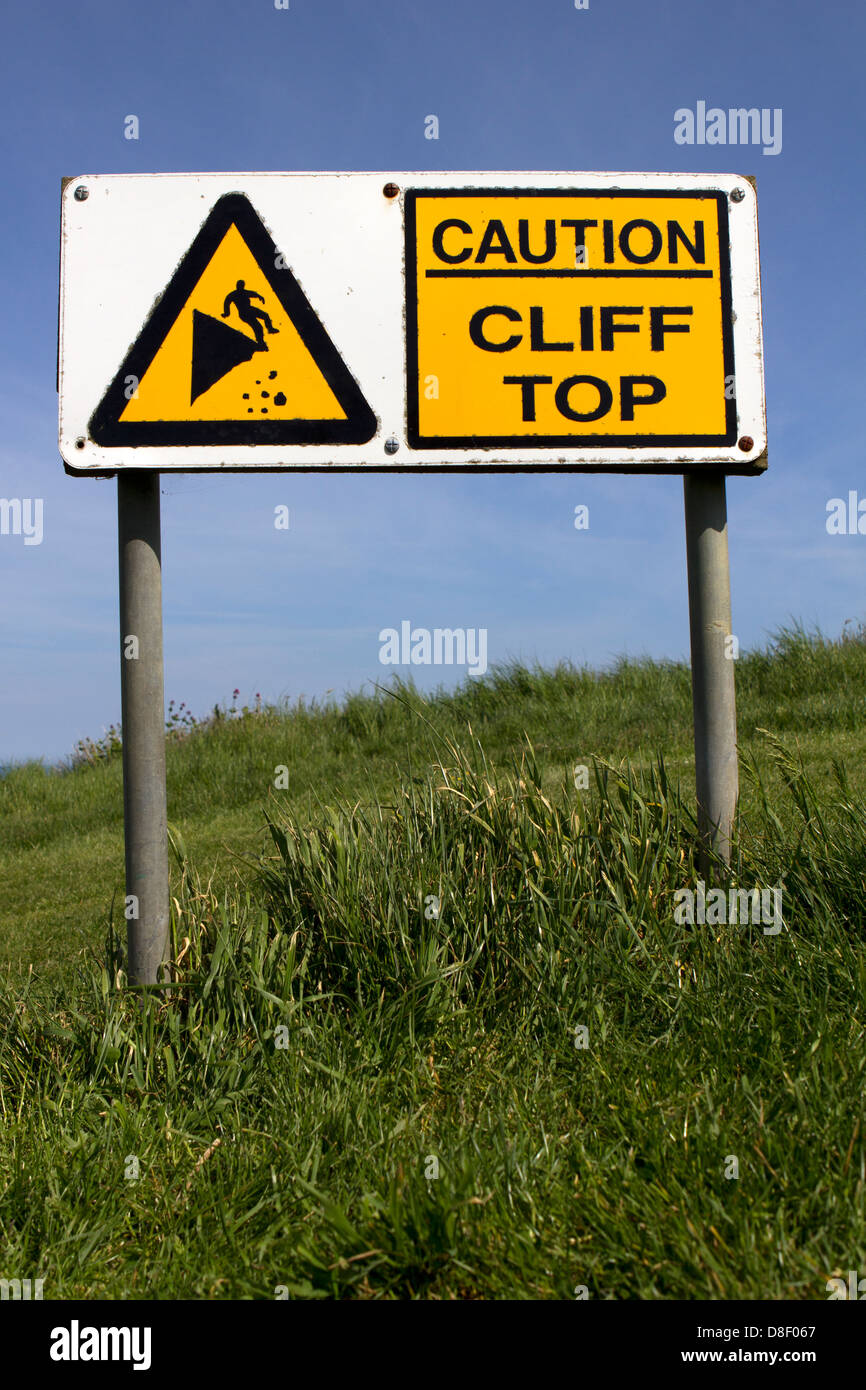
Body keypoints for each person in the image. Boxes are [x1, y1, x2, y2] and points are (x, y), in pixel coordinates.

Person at [221, 280, 279, 349]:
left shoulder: (244, 292)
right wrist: (226, 313)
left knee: (265, 315)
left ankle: (270, 329)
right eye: (239, 285)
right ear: (237, 286)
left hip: (250, 309)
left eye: (242, 286)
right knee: (258, 327)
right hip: (244, 313)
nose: (240, 287)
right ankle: (261, 342)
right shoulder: (233, 294)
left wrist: (260, 297)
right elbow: (226, 303)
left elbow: (253, 293)